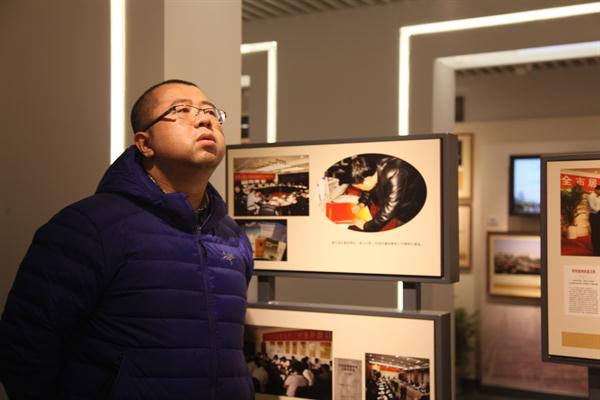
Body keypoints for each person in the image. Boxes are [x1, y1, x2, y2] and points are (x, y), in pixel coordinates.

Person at [0, 79, 254, 399]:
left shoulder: (232, 237)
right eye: (181, 110)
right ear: (144, 144)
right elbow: (25, 345)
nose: (204, 120)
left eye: (210, 112)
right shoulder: (89, 226)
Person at [349, 155, 427, 232]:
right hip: (397, 195)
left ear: (367, 180)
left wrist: (366, 226)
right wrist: (362, 203)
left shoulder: (396, 172)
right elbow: (367, 189)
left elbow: (390, 207)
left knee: (406, 228)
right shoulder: (368, 170)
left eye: (359, 187)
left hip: (411, 203)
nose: (360, 190)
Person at [588, 185, 600, 256]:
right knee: (595, 233)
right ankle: (595, 250)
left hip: (599, 215)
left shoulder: (599, 196)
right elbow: (591, 206)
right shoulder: (591, 196)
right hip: (594, 216)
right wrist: (599, 210)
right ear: (596, 190)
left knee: (599, 233)